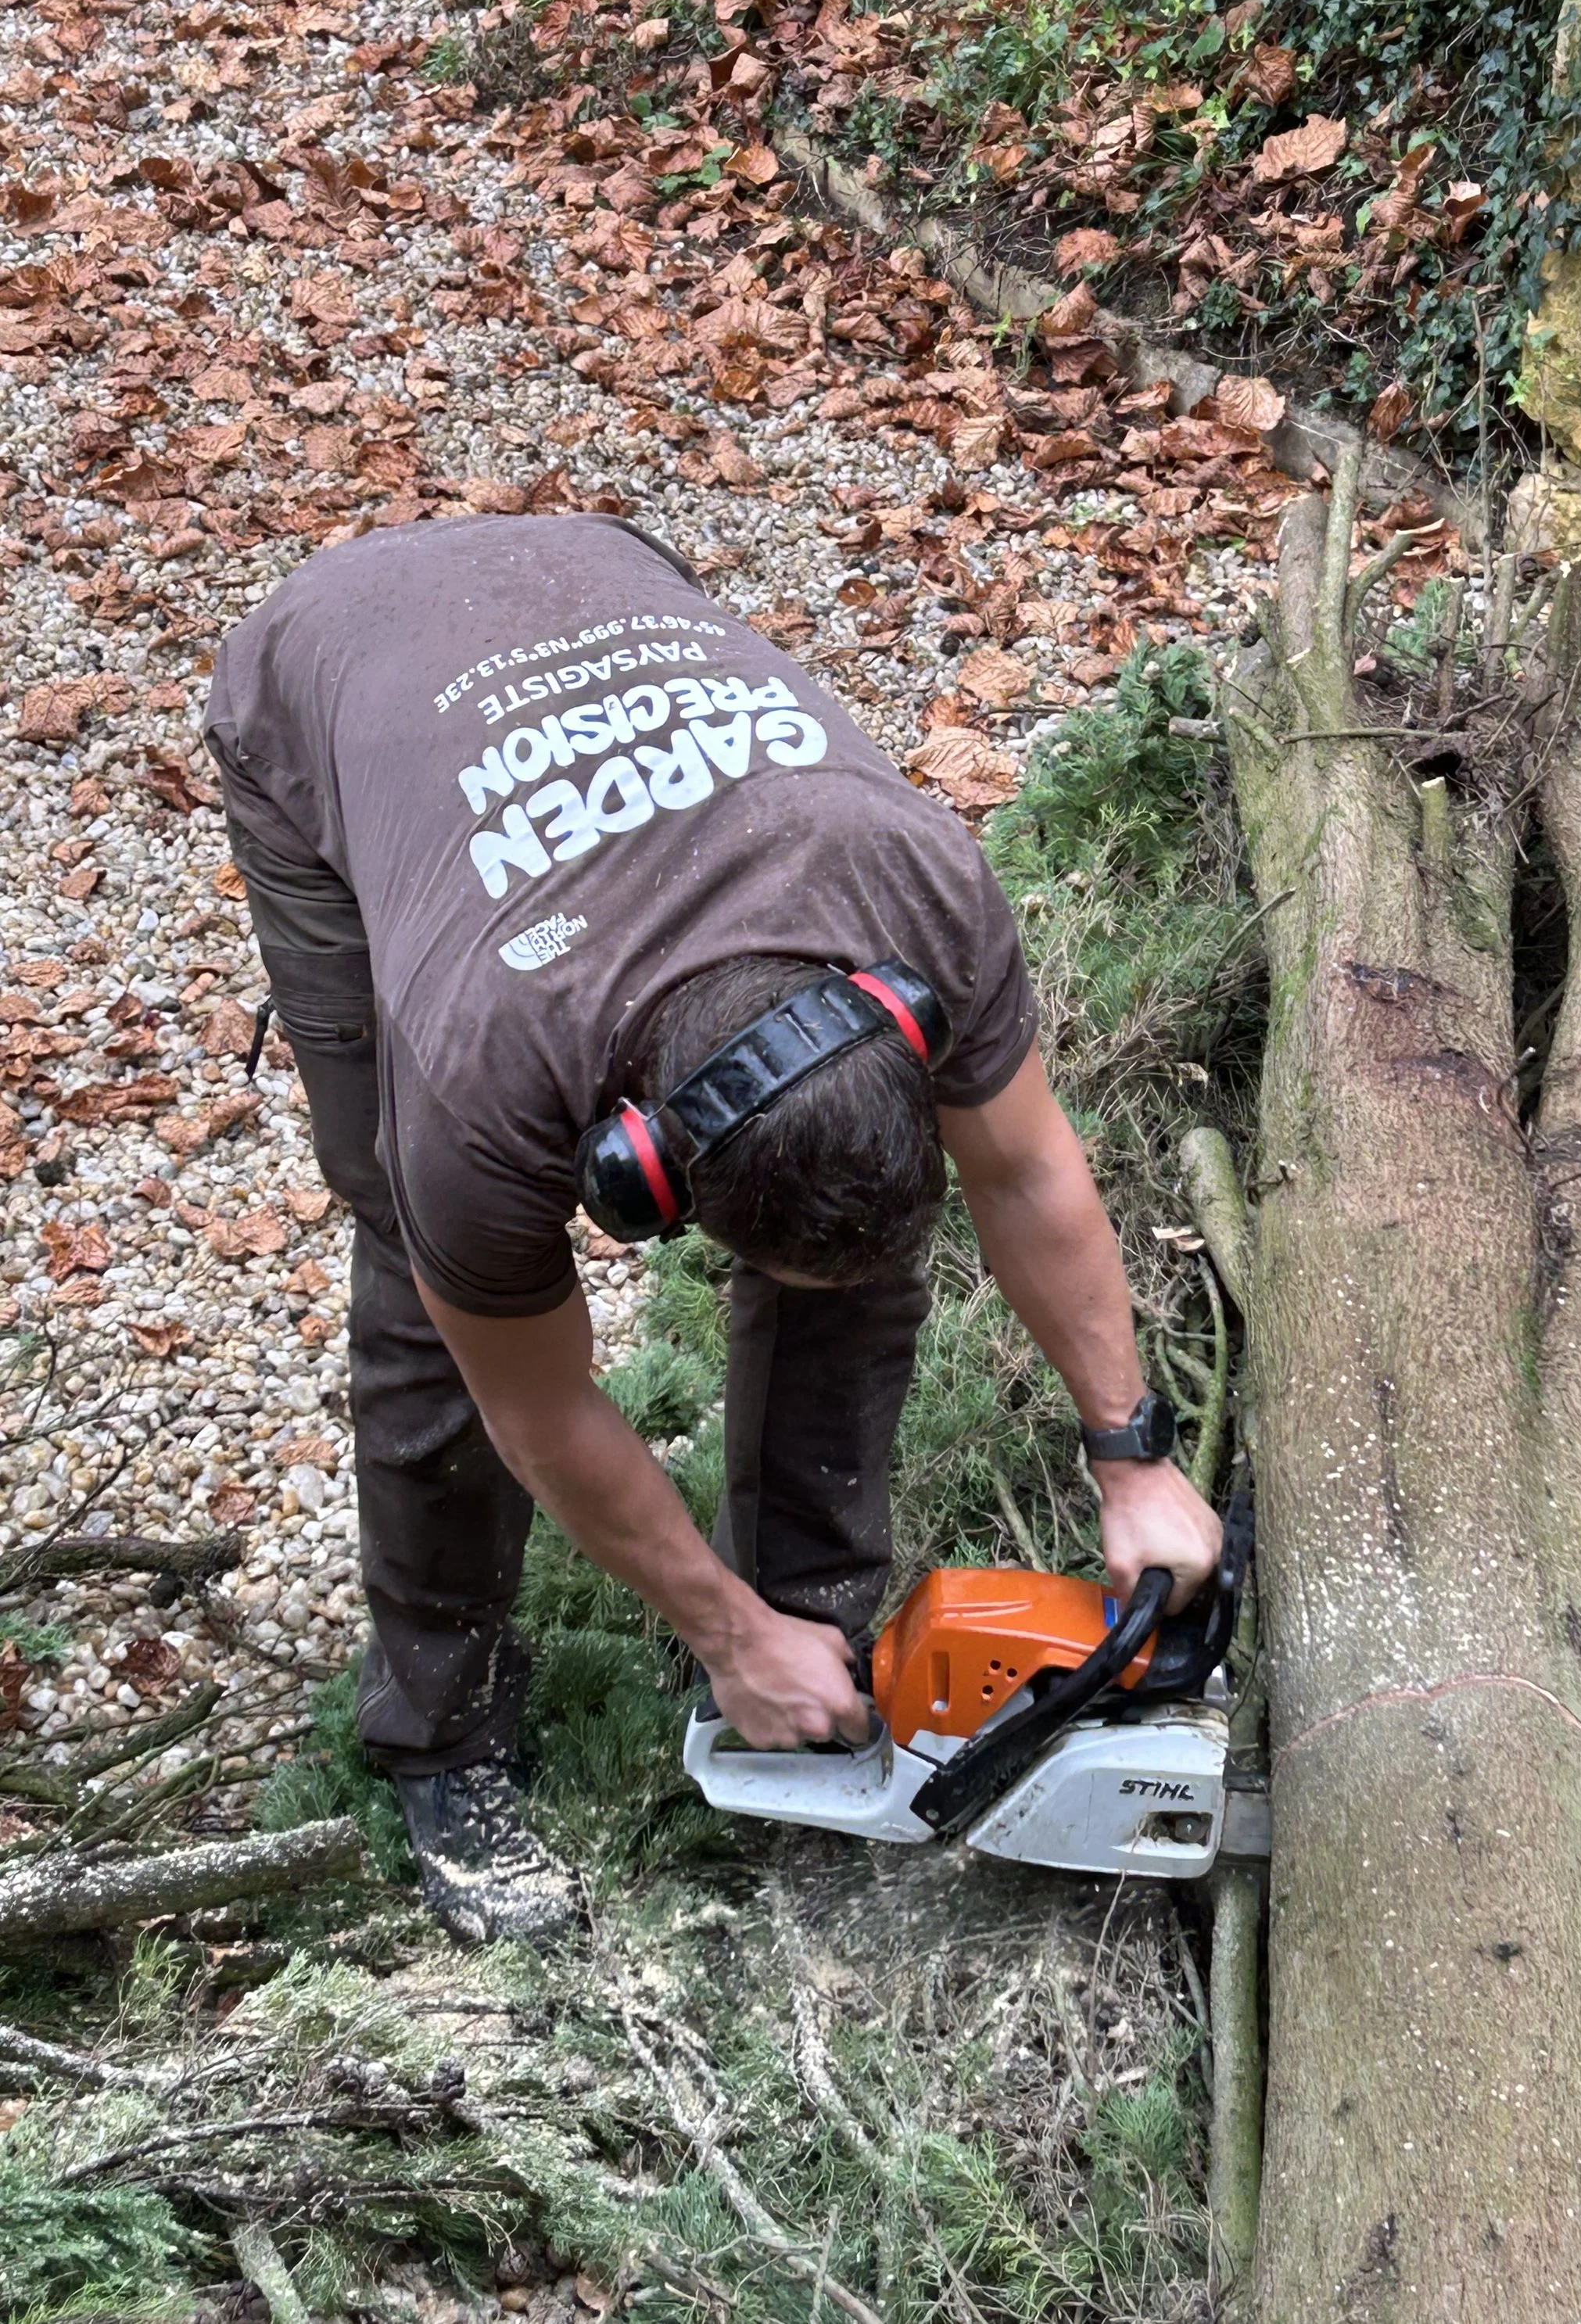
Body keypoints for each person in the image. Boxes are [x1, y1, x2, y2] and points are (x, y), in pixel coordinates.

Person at [205, 513, 1224, 1942]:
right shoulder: (483, 1078)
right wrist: (714, 1630)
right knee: (424, 1287)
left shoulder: (921, 887)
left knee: (850, 1250)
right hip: (324, 672)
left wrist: (1130, 1455)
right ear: (642, 1183)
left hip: (597, 564)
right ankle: (445, 1739)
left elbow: (1029, 1173)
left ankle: (813, 1632)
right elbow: (540, 1404)